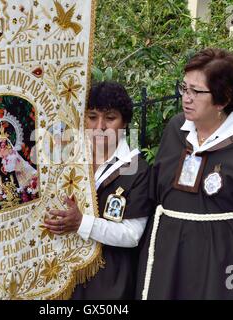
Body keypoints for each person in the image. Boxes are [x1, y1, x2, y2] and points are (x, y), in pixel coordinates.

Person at [137, 48, 233, 300]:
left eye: (196, 91)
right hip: (170, 254)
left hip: (227, 262)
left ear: (223, 99)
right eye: (183, 88)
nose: (186, 98)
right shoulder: (175, 130)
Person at [44, 81, 153, 299]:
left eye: (110, 118)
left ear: (125, 123)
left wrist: (81, 223)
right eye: (92, 117)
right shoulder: (69, 157)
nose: (99, 126)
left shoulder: (137, 170)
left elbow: (131, 235)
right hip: (62, 272)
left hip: (109, 281)